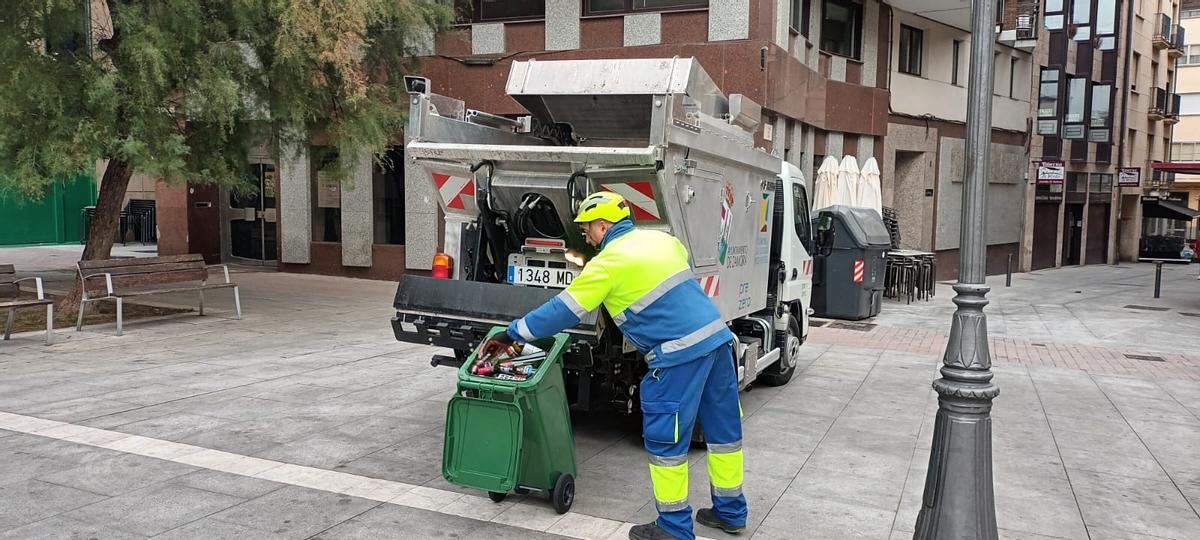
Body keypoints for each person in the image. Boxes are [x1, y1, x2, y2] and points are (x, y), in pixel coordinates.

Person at [479, 192, 748, 540]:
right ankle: (731, 512)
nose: (586, 236)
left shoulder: (608, 264)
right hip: (718, 341)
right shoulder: (664, 241)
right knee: (724, 432)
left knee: (667, 443)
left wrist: (514, 332)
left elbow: (564, 310)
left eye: (587, 228)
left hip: (679, 355)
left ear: (603, 225)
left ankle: (674, 528)